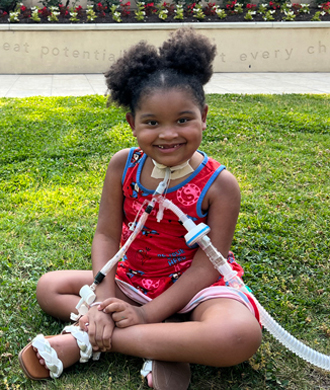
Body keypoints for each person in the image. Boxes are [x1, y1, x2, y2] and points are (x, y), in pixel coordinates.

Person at [19, 28, 262, 390]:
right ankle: (167, 342)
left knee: (240, 335)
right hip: (132, 280)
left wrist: (145, 313)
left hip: (193, 288)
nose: (168, 134)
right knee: (49, 287)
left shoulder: (221, 185)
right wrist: (104, 303)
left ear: (204, 116)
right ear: (132, 123)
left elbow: (210, 265)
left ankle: (85, 341)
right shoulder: (123, 165)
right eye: (152, 122)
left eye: (183, 119)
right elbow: (106, 234)